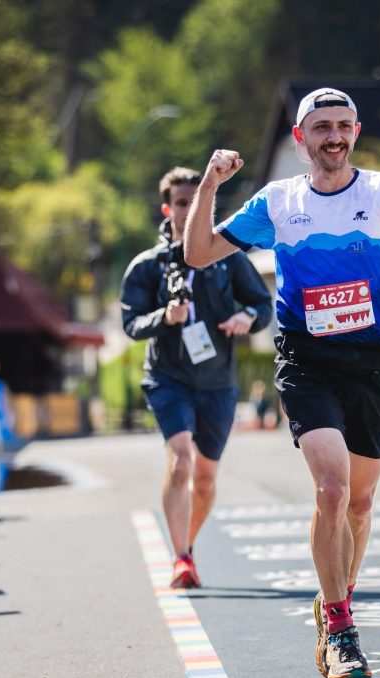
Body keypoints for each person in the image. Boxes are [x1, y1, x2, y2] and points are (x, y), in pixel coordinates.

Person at [184, 87, 380, 678]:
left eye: (343, 126)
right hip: (308, 362)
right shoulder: (277, 201)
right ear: (301, 139)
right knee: (331, 491)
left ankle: (333, 598)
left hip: (374, 363)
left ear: (356, 130)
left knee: (362, 504)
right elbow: (197, 253)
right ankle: (343, 628)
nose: (334, 137)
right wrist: (209, 186)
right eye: (321, 127)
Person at [121, 166, 272, 589]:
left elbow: (263, 305)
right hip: (168, 379)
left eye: (197, 202)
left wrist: (248, 317)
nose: (190, 212)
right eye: (182, 203)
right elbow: (130, 323)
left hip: (218, 383)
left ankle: (185, 544)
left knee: (205, 479)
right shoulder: (146, 267)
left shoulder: (228, 258)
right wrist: (164, 318)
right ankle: (182, 557)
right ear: (168, 208)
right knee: (181, 458)